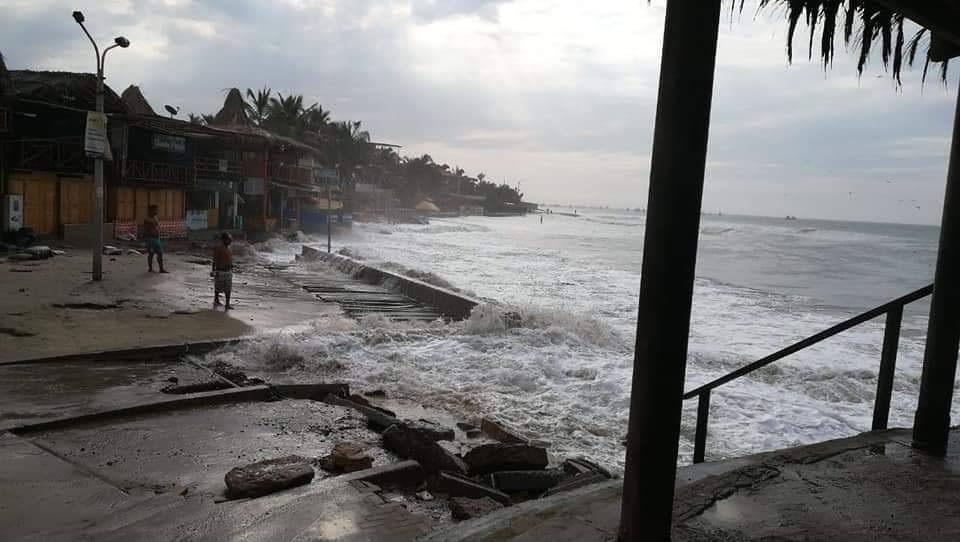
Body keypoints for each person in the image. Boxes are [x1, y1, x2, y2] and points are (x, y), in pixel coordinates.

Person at [212, 232, 234, 310]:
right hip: (220, 271)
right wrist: (213, 270)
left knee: (228, 288)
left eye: (230, 239)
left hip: (228, 271)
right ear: (224, 240)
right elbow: (214, 260)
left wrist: (231, 266)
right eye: (229, 239)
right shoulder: (219, 249)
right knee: (218, 287)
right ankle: (216, 299)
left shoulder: (229, 248)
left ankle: (227, 304)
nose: (230, 241)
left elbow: (230, 259)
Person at [143, 205, 167, 273]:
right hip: (151, 239)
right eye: (155, 210)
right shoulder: (147, 219)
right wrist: (147, 240)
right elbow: (145, 230)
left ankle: (161, 269)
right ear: (150, 210)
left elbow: (156, 228)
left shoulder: (155, 218)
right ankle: (150, 268)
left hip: (156, 239)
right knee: (151, 254)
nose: (156, 211)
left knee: (160, 253)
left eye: (157, 210)